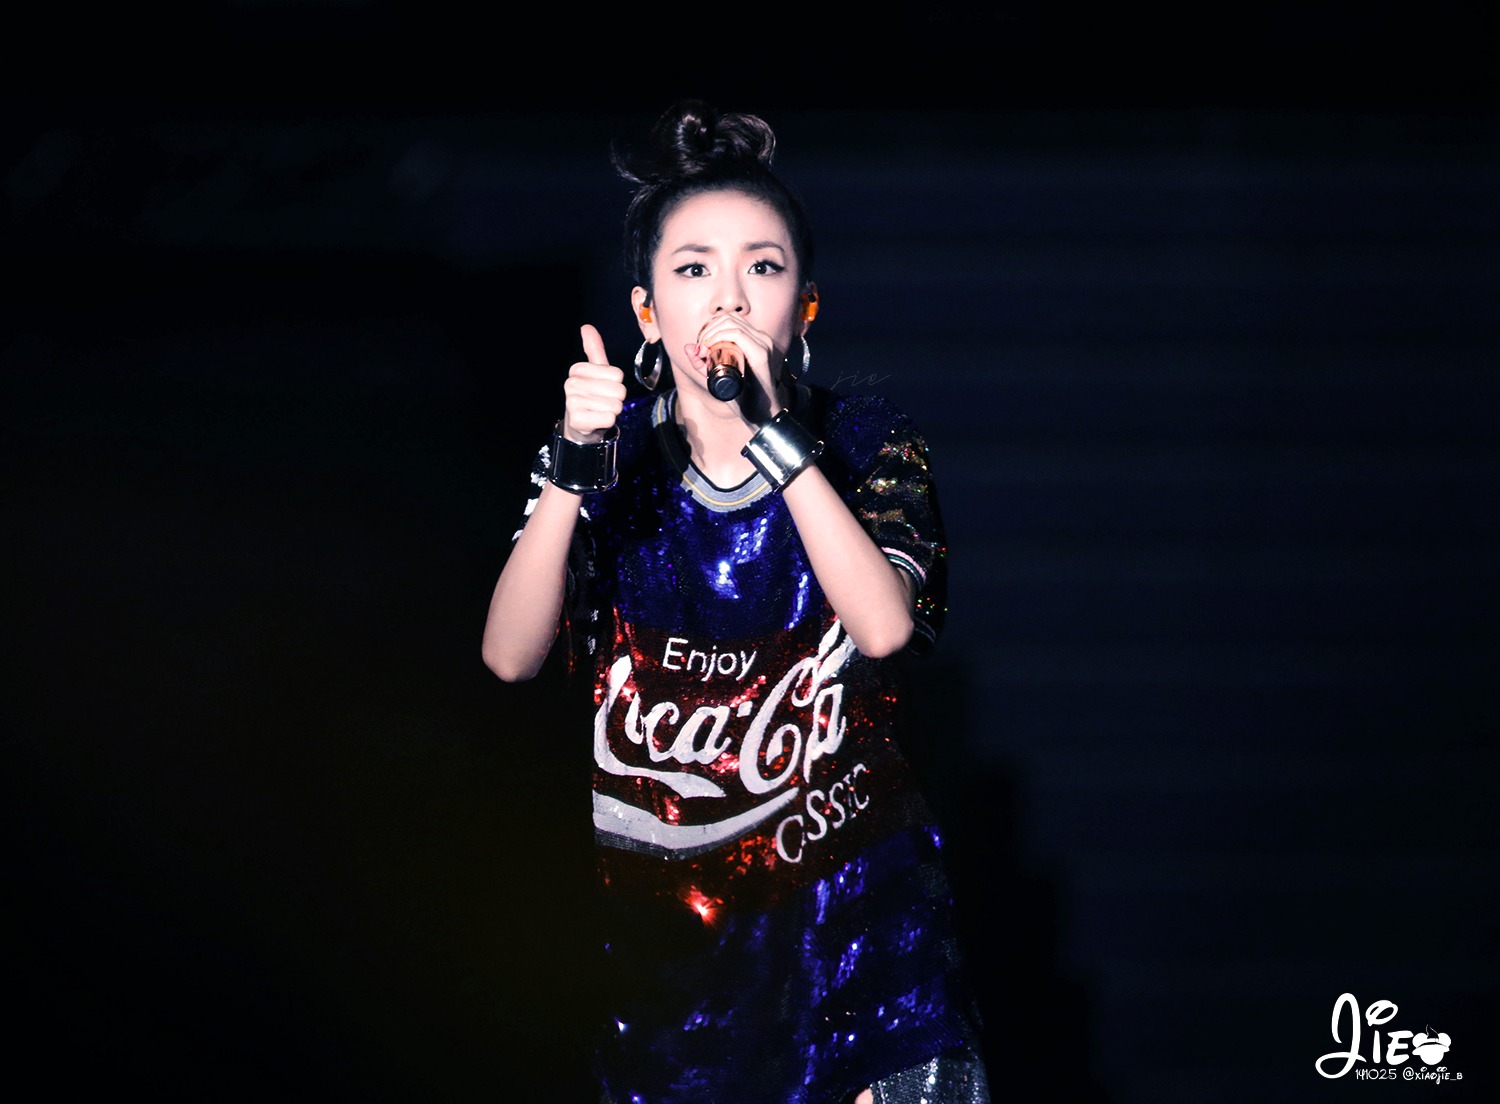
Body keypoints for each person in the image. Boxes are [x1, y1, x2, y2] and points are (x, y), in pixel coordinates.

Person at [482, 101, 989, 1104]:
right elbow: (509, 656)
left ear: (806, 306)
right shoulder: (608, 463)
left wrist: (774, 438)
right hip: (671, 966)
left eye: (762, 266)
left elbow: (885, 626)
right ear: (645, 313)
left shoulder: (868, 440)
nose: (728, 298)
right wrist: (573, 468)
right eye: (693, 269)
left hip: (863, 934)